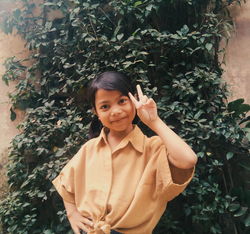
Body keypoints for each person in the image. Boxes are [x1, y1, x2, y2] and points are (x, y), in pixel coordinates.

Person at [52, 71, 197, 234]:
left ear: (133, 100)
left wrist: (154, 122)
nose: (115, 111)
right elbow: (66, 185)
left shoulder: (152, 149)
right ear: (96, 112)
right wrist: (72, 213)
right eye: (105, 106)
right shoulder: (89, 149)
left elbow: (188, 160)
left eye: (122, 101)